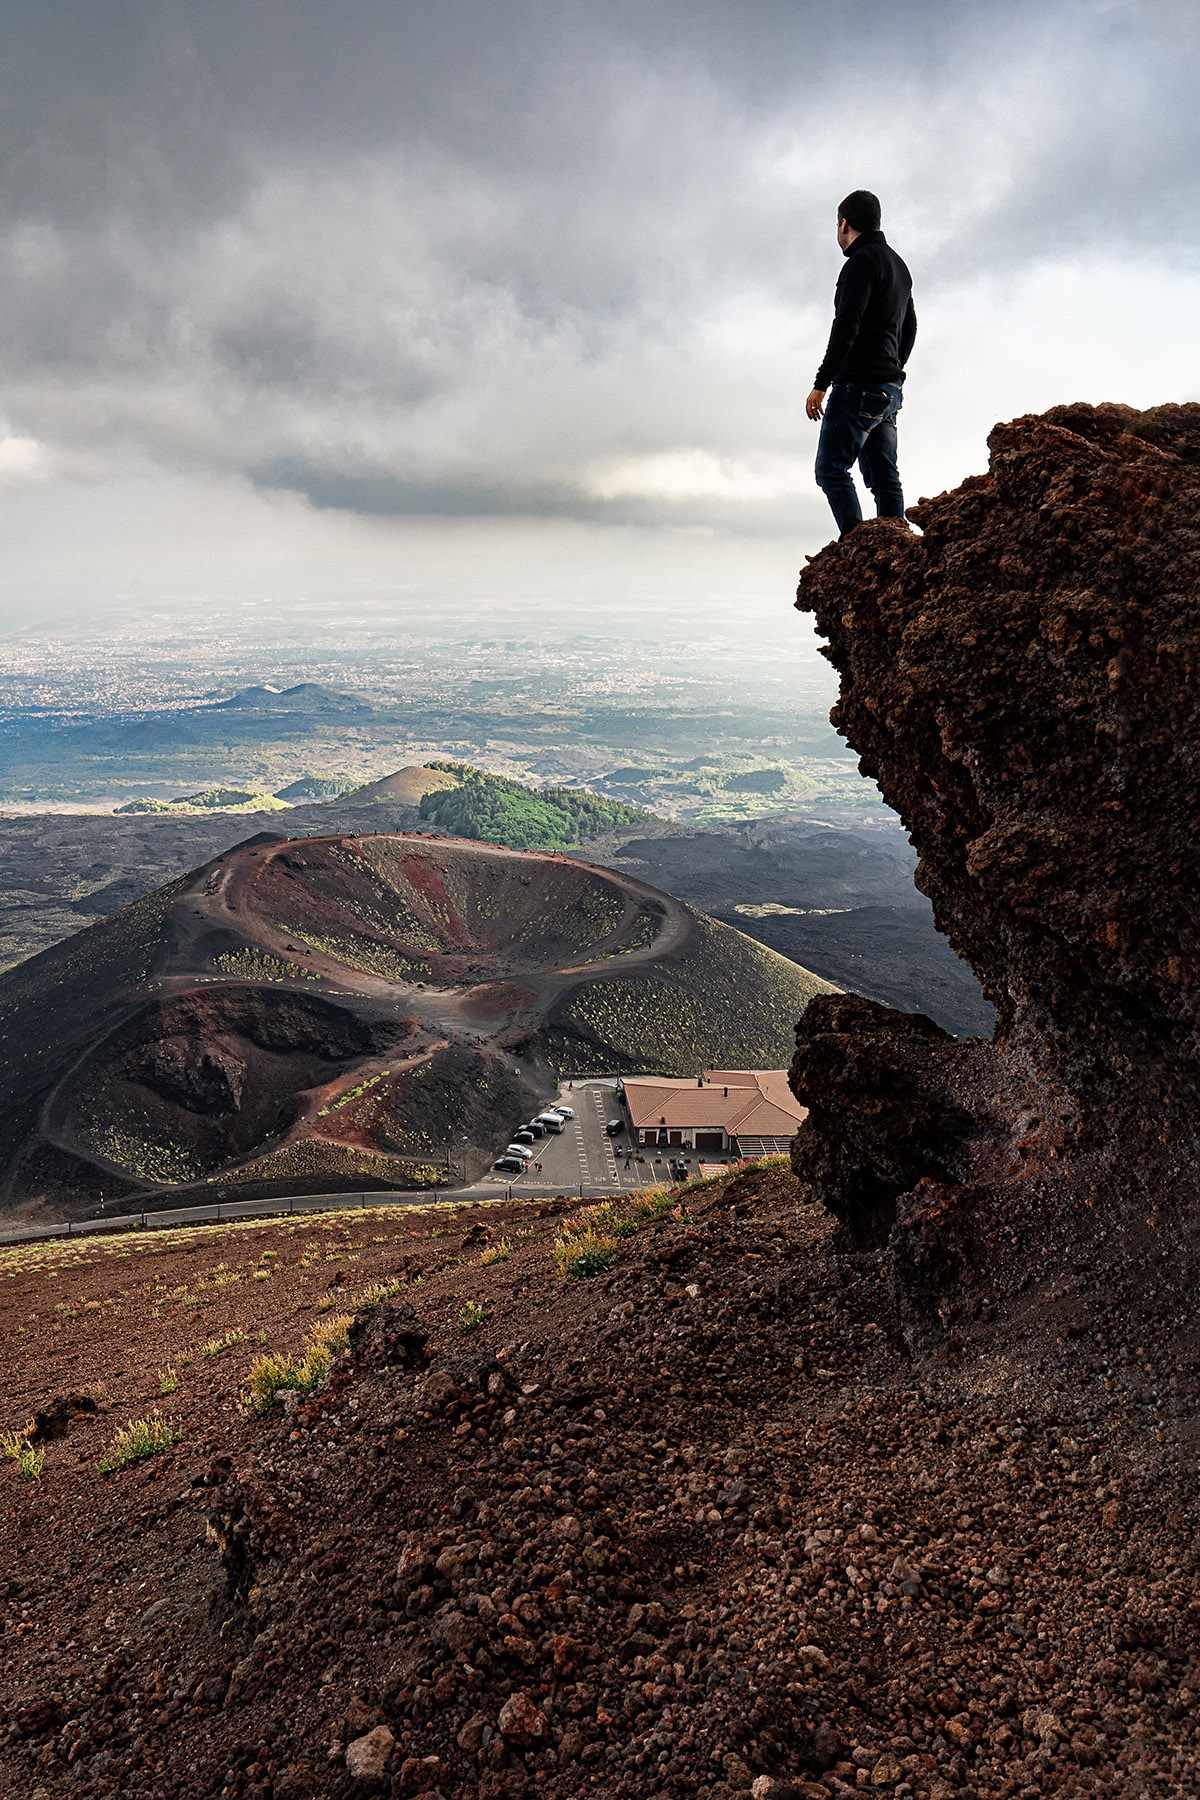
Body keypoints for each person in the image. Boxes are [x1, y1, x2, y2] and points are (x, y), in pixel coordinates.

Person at [806, 190, 916, 539]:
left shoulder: (860, 263)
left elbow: (846, 327)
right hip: (889, 388)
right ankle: (896, 549)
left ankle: (858, 548)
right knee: (885, 479)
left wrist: (822, 382)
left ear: (844, 224)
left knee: (830, 469)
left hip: (857, 386)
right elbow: (910, 326)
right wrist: (893, 368)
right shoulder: (899, 265)